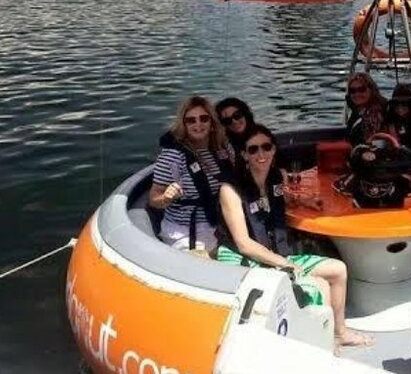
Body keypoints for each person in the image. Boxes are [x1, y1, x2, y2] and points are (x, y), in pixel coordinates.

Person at [217, 125, 372, 348]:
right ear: (244, 155)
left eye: (266, 147)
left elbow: (279, 199)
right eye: (253, 150)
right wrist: (285, 264)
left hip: (273, 253)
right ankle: (323, 348)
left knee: (338, 270)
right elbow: (244, 244)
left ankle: (340, 333)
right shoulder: (231, 190)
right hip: (246, 258)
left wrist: (304, 202)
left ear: (273, 150)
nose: (261, 154)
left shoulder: (274, 179)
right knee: (318, 286)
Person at [149, 95, 233, 252]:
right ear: (184, 124)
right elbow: (154, 199)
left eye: (204, 118)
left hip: (220, 224)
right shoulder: (173, 155)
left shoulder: (223, 149)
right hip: (186, 231)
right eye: (191, 120)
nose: (198, 124)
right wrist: (167, 197)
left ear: (212, 122)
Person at [345, 72, 387, 146]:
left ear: (371, 90)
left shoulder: (374, 114)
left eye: (361, 89)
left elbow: (373, 143)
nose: (357, 94)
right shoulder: (357, 112)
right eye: (352, 91)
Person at [384, 83, 411, 154]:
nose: (400, 108)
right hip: (396, 149)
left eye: (404, 104)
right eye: (396, 104)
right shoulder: (390, 116)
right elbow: (393, 137)